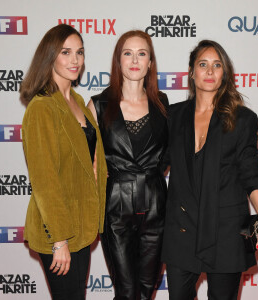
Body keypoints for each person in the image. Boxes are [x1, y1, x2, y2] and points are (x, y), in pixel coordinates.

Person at [162, 40, 258, 300]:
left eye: (216, 65)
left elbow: (250, 174)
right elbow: (153, 162)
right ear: (191, 72)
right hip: (182, 229)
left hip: (227, 229)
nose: (209, 71)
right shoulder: (172, 116)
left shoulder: (242, 119)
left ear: (224, 73)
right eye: (203, 64)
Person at [20, 24, 107, 300]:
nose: (75, 60)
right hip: (57, 232)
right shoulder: (42, 107)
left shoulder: (78, 101)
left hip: (81, 226)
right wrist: (59, 241)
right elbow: (44, 180)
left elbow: (91, 163)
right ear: (50, 57)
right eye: (65, 52)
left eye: (79, 52)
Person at [88, 30, 169, 300]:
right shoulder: (98, 106)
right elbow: (87, 165)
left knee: (146, 292)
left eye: (142, 53)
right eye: (127, 53)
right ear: (118, 61)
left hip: (157, 208)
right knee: (125, 292)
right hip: (115, 209)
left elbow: (173, 154)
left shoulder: (163, 105)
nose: (135, 60)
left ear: (150, 63)